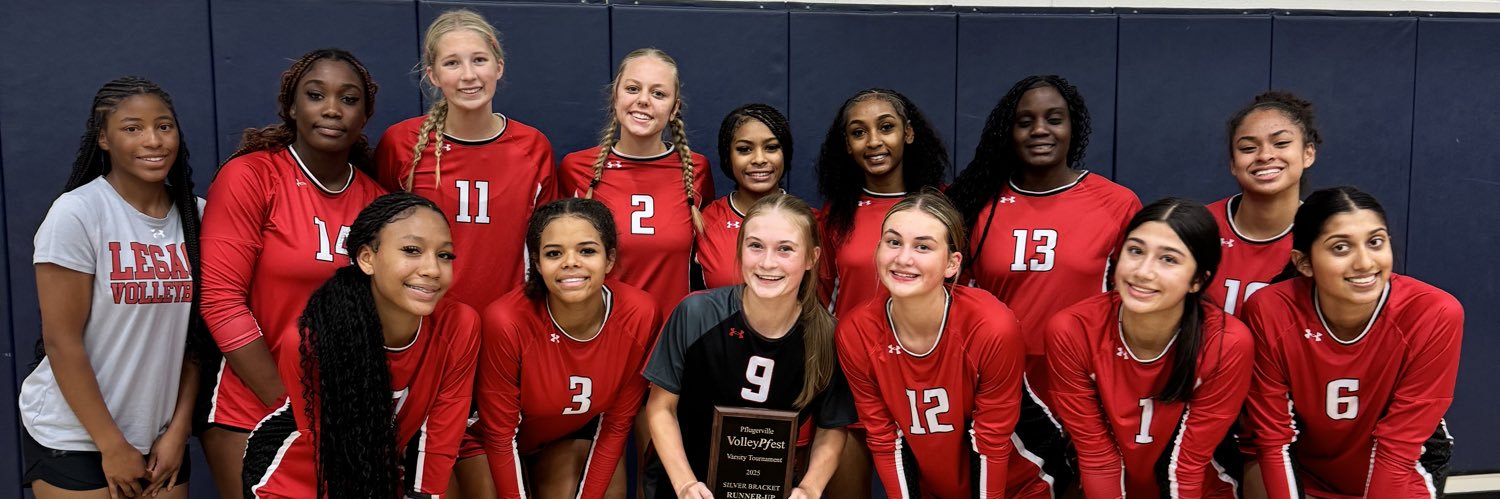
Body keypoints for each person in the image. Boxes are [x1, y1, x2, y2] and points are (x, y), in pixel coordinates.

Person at [375, 12, 557, 495]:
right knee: (424, 474)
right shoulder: (402, 143)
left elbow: (544, 253)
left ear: (499, 66)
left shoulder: (533, 147)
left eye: (479, 60)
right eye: (452, 63)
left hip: (501, 341)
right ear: (432, 76)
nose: (468, 74)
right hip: (425, 338)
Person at [198, 48, 387, 498]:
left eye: (349, 98)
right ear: (291, 106)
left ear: (365, 115)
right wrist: (289, 405)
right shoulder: (251, 177)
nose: (331, 109)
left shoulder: (378, 202)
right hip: (253, 405)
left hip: (341, 416)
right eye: (315, 94)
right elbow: (220, 301)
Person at [19, 77, 204, 499]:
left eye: (164, 126)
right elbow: (61, 340)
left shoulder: (196, 217)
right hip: (77, 437)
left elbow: (197, 339)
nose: (153, 141)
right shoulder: (79, 213)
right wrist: (111, 444)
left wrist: (178, 431)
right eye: (132, 128)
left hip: (161, 438)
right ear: (103, 138)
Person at [241, 192, 480, 498]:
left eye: (444, 255)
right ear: (367, 258)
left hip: (379, 477)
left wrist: (422, 495)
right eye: (412, 250)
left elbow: (440, 437)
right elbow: (327, 451)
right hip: (295, 474)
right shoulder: (312, 340)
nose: (432, 269)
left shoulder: (459, 326)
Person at [836, 190, 1059, 498]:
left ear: (952, 264)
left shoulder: (990, 326)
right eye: (893, 242)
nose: (903, 258)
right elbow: (887, 440)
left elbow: (991, 442)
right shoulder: (856, 333)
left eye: (923, 246)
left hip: (1019, 484)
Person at [1244, 186, 1460, 499]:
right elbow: (1274, 439)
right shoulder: (1269, 310)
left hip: (1405, 467)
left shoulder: (1434, 313)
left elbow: (1399, 448)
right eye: (1341, 248)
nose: (1364, 262)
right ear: (1304, 263)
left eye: (1375, 242)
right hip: (1307, 470)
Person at [946, 74, 1141, 408]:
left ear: (1072, 127)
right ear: (1009, 132)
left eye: (1054, 119)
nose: (1039, 130)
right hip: (1001, 380)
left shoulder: (1118, 203)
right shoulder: (977, 204)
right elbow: (956, 302)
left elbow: (1135, 301)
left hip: (1085, 378)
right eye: (1025, 122)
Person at [643, 193, 854, 499]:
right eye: (755, 246)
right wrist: (685, 484)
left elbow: (832, 427)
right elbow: (661, 408)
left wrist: (809, 487)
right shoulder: (696, 315)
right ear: (740, 249)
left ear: (811, 258)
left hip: (768, 488)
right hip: (680, 484)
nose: (767, 263)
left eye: (785, 250)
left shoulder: (827, 336)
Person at [1046, 198, 1251, 498]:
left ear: (1197, 280)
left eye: (1168, 259)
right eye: (1135, 251)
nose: (1143, 271)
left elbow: (1187, 467)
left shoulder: (1227, 344)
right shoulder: (1072, 330)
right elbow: (1096, 458)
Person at [478, 198, 660, 499]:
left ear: (610, 259)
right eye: (554, 253)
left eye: (587, 251)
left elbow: (615, 425)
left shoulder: (640, 314)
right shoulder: (506, 321)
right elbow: (499, 436)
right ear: (536, 263)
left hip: (559, 438)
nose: (570, 262)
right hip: (486, 442)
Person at [557, 47, 714, 321]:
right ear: (615, 96)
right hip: (599, 334)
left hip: (671, 339)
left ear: (675, 107)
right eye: (632, 89)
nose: (643, 100)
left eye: (658, 93)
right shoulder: (576, 168)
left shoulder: (696, 170)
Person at [814, 87, 949, 319]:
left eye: (886, 127)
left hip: (925, 350)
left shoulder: (943, 205)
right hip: (852, 350)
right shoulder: (836, 215)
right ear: (847, 144)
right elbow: (823, 300)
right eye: (859, 133)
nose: (873, 141)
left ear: (908, 132)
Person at [1207, 92, 1320, 316]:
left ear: (1308, 153)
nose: (1265, 155)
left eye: (1281, 143)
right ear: (1233, 164)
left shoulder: (1323, 235)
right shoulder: (1201, 225)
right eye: (1248, 148)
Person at [696, 103, 794, 289]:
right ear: (728, 156)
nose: (759, 159)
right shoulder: (706, 221)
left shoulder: (812, 221)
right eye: (744, 149)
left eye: (771, 147)